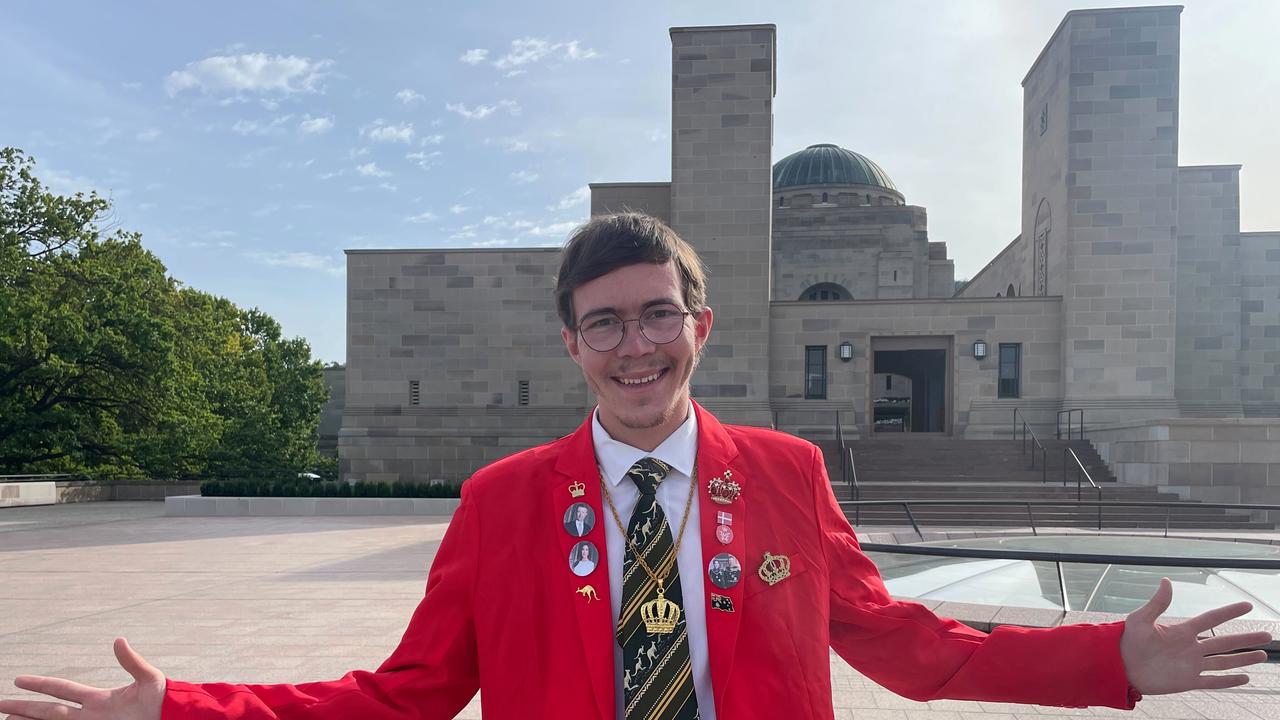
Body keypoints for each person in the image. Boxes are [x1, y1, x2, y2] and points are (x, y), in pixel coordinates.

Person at [1, 213, 1272, 720]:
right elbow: (405, 695)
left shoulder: (783, 472)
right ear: (570, 344)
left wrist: (1105, 659)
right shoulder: (502, 501)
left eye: (657, 313)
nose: (634, 345)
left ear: (698, 326)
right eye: (603, 323)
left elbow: (908, 648)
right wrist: (181, 708)